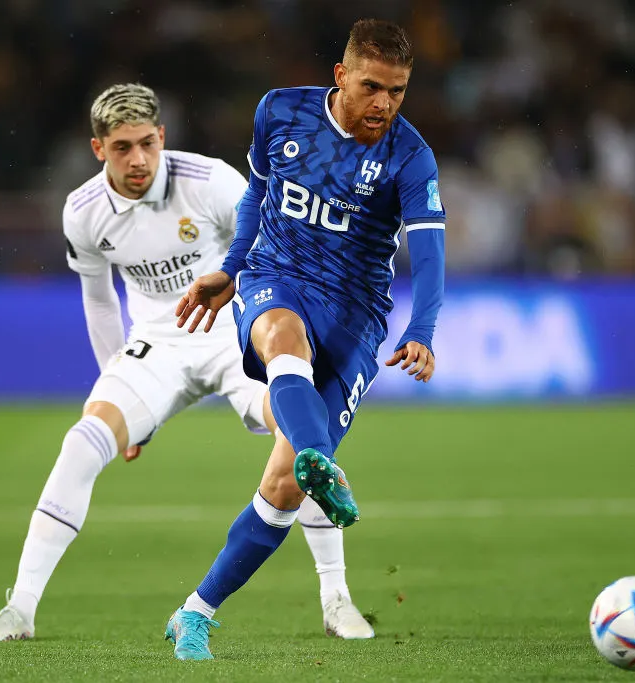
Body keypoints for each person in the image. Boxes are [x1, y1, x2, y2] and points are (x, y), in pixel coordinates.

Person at [0, 83, 374, 643]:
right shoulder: (83, 212)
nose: (137, 159)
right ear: (98, 149)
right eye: (121, 148)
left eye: (146, 144)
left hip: (233, 327)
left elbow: (277, 246)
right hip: (158, 343)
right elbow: (99, 300)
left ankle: (337, 600)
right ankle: (20, 609)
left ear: (162, 136)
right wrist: (114, 385)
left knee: (304, 441)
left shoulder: (211, 181)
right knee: (83, 440)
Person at [167, 18, 445, 660]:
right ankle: (323, 459)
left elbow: (430, 252)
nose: (384, 104)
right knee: (281, 337)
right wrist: (232, 268)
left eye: (398, 91)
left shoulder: (410, 156)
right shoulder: (281, 112)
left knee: (284, 487)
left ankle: (194, 612)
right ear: (341, 75)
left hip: (356, 314)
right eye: (372, 87)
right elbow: (258, 196)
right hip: (277, 277)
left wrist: (422, 329)